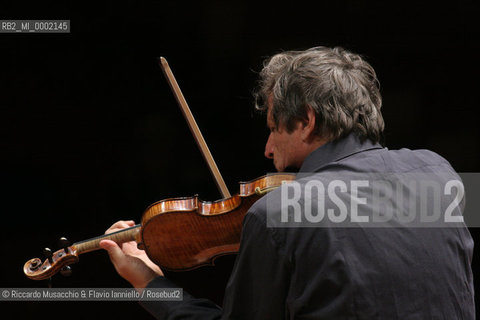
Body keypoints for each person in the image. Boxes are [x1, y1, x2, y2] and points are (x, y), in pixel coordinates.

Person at [99, 46, 475, 319]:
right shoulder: (440, 173)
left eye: (273, 127)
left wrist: (152, 285)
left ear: (307, 120)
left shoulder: (278, 213)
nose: (267, 149)